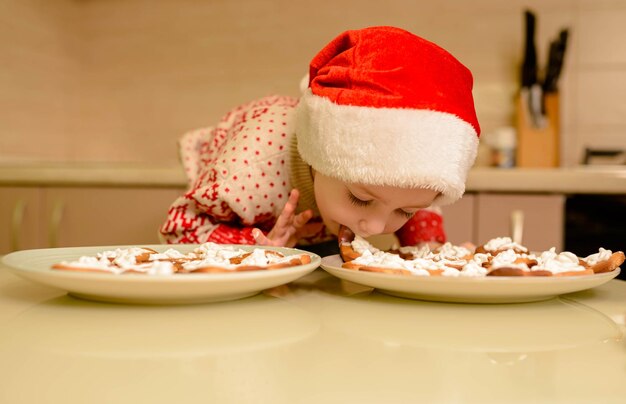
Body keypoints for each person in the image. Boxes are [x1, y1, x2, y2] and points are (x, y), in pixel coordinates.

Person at [159, 26, 480, 255]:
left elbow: (416, 202)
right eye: (360, 198)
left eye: (404, 212)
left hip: (317, 218)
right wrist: (255, 244)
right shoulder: (253, 168)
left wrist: (432, 251)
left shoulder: (403, 189)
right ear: (321, 154)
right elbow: (179, 229)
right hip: (237, 186)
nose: (374, 226)